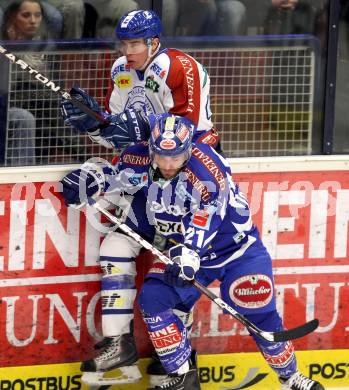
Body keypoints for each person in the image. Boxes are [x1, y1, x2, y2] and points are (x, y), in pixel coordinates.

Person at [61, 114, 324, 390]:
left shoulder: (207, 167)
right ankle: (183, 376)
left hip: (235, 250)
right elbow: (116, 178)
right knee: (154, 299)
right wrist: (88, 182)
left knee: (258, 308)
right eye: (161, 156)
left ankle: (290, 377)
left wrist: (189, 252)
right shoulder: (140, 157)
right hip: (181, 253)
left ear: (188, 150)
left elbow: (206, 217)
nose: (168, 164)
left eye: (175, 157)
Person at [60, 9, 220, 153]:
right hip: (146, 152)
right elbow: (115, 134)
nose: (127, 52)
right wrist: (95, 125)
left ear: (154, 43)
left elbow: (185, 128)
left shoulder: (179, 67)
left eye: (134, 44)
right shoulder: (120, 68)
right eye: (124, 44)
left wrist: (139, 126)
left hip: (195, 149)